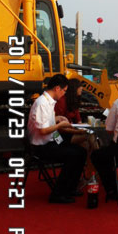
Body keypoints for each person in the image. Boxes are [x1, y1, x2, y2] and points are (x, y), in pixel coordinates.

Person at [27, 74, 87, 204]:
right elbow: (43, 130)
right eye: (64, 90)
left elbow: (45, 122)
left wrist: (56, 119)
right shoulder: (42, 103)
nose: (64, 93)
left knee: (81, 152)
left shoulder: (48, 102)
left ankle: (70, 188)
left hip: (51, 141)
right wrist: (60, 125)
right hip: (42, 146)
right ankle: (58, 193)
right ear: (57, 88)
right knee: (74, 155)